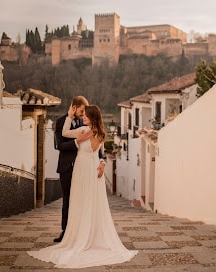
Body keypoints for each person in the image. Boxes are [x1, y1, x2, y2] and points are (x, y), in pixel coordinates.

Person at [28, 105, 138, 269]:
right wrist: (101, 163)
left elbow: (65, 133)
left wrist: (70, 116)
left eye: (86, 116)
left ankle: (82, 236)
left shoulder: (83, 130)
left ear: (92, 117)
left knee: (83, 202)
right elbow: (100, 155)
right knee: (89, 202)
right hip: (92, 169)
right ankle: (89, 236)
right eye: (83, 115)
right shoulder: (100, 133)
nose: (83, 117)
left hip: (86, 168)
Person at [52, 96, 105, 243]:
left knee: (84, 200)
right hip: (67, 167)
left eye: (85, 112)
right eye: (82, 111)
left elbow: (97, 148)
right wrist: (77, 142)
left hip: (85, 168)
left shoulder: (86, 123)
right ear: (74, 107)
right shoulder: (61, 122)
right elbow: (60, 146)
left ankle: (83, 232)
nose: (83, 114)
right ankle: (66, 232)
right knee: (68, 199)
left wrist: (102, 161)